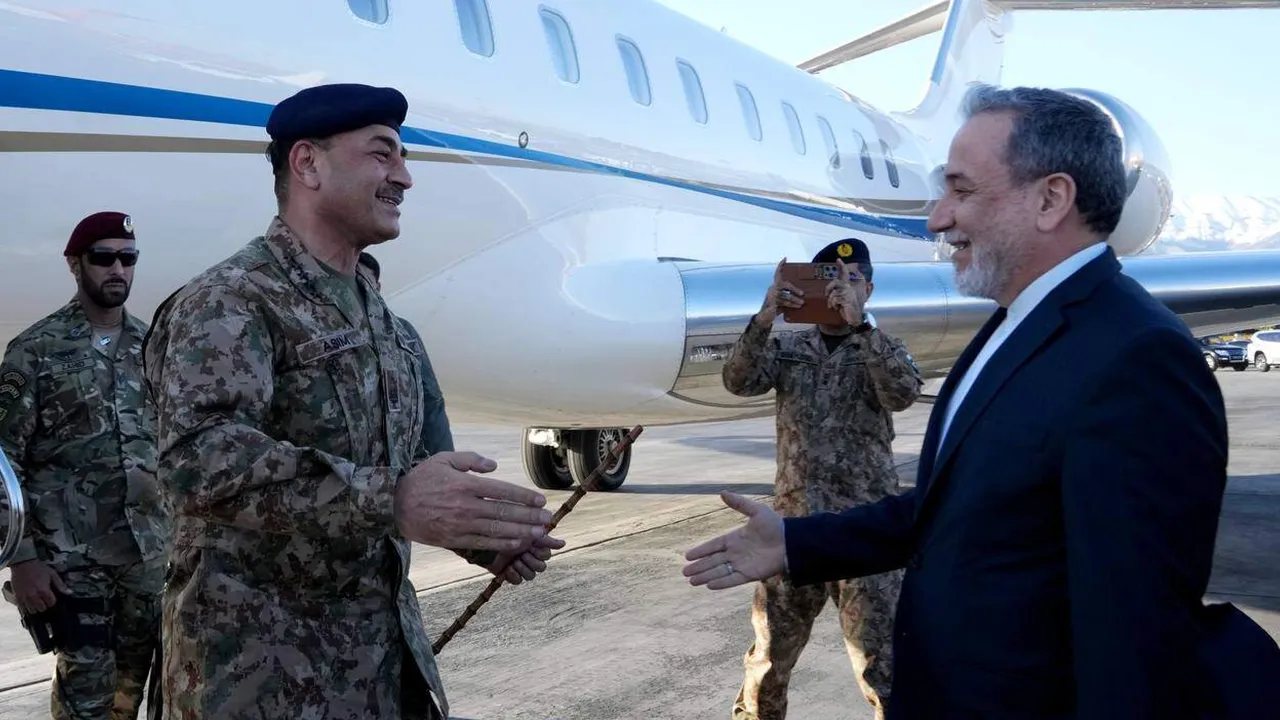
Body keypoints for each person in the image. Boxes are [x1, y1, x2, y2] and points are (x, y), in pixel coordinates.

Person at [682, 84, 1270, 718]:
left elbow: (1132, 633)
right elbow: (955, 511)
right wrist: (796, 542)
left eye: (962, 191)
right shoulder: (1014, 325)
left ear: (1051, 199)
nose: (937, 218)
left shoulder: (1138, 358)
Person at [141, 83, 562, 720]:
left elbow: (423, 471)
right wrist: (391, 498)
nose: (405, 177)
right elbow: (200, 460)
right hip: (257, 683)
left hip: (384, 673)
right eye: (382, 154)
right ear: (307, 163)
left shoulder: (390, 328)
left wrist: (483, 533)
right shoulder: (231, 300)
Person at [721, 238, 921, 720]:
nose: (841, 290)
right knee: (768, 661)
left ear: (869, 289)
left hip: (864, 532)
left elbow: (902, 394)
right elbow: (738, 380)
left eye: (852, 281)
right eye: (830, 278)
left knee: (884, 666)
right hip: (792, 529)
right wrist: (765, 316)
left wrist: (863, 329)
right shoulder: (789, 347)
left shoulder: (882, 347)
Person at [0, 211, 168, 719]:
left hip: (146, 559)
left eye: (128, 258)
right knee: (85, 704)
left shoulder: (153, 346)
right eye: (103, 258)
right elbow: (3, 462)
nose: (117, 269)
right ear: (75, 264)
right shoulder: (35, 352)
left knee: (128, 696)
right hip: (72, 566)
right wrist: (21, 559)